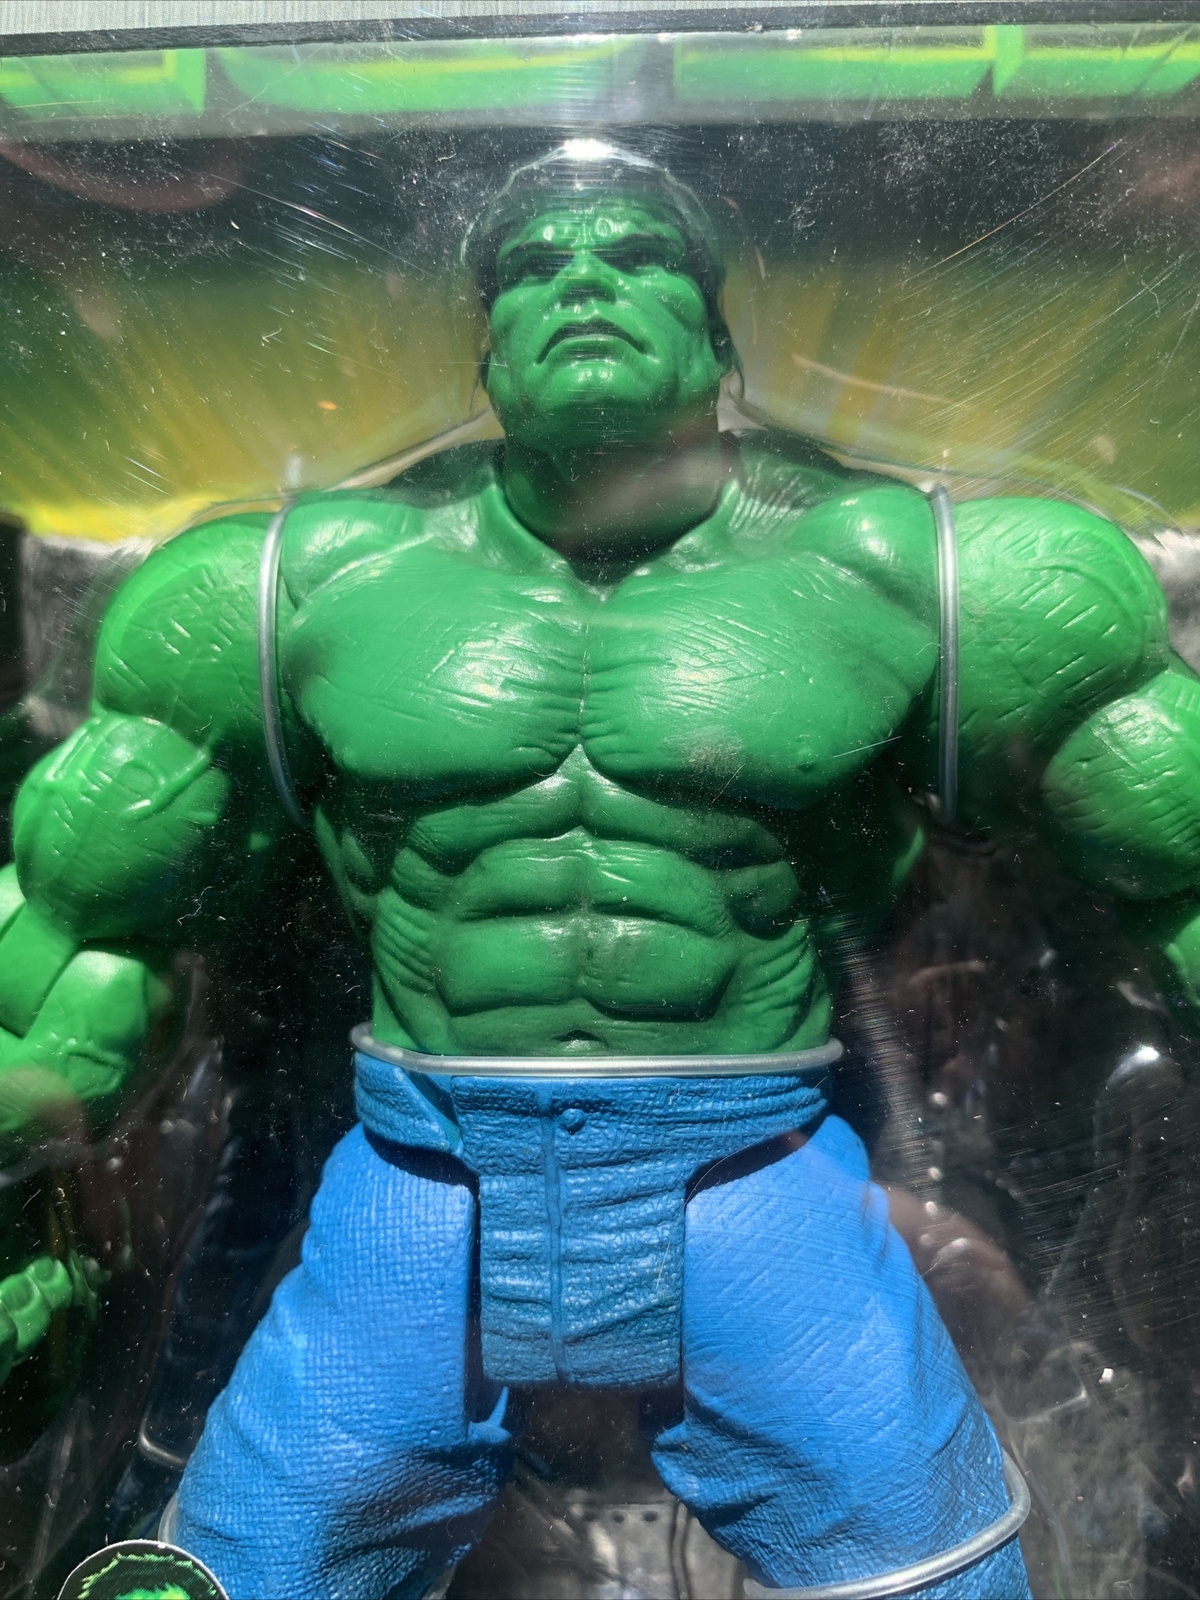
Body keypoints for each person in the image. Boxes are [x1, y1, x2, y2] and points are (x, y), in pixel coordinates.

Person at [10, 135, 1200, 1598]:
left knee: (942, 1577)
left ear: (720, 334)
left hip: (748, 1180)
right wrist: (35, 1165)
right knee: (231, 1574)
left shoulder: (913, 575)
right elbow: (82, 921)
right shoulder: (290, 589)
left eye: (636, 254)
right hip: (425, 1189)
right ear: (485, 349)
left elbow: (1177, 863)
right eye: (534, 266)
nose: (583, 281)